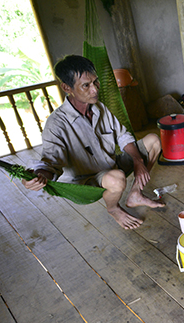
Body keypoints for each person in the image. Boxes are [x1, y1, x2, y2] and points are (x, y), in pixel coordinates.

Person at [22, 55, 163, 229]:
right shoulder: (56, 124)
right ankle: (113, 208)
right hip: (86, 181)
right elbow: (51, 162)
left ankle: (135, 193)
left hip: (111, 166)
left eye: (95, 82)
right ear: (67, 88)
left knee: (153, 140)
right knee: (117, 178)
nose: (95, 90)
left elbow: (123, 135)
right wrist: (39, 177)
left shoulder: (99, 108)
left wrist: (137, 160)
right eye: (86, 85)